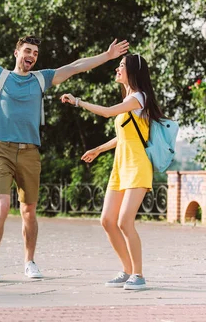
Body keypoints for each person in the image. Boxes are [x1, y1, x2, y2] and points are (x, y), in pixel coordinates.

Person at [0, 8, 129, 281]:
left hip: (30, 151)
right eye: (27, 51)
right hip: (3, 151)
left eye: (35, 53)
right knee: (2, 207)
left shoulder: (41, 79)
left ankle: (30, 262)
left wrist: (107, 56)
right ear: (17, 53)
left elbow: (76, 66)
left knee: (29, 211)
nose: (31, 56)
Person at [60, 53, 164, 290]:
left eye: (121, 66)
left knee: (125, 221)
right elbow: (122, 136)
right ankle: (127, 270)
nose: (117, 69)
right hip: (121, 166)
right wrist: (98, 149)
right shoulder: (130, 98)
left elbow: (108, 112)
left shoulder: (139, 97)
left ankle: (138, 274)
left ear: (133, 72)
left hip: (138, 166)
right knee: (107, 220)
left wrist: (78, 102)